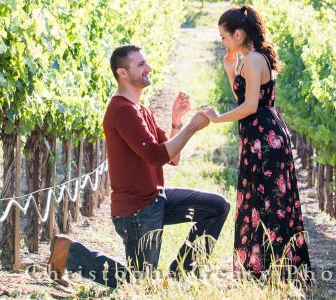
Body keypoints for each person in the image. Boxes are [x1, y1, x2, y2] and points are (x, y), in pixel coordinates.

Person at [48, 44, 230, 288]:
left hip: (156, 199)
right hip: (136, 211)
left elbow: (172, 158)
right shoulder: (122, 111)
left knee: (217, 207)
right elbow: (156, 156)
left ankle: (179, 277)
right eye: (141, 65)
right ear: (122, 73)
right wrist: (193, 127)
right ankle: (68, 253)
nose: (149, 68)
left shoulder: (141, 109)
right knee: (139, 283)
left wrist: (177, 120)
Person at [199, 5, 311, 282]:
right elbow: (250, 98)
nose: (223, 42)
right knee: (268, 201)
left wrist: (218, 118)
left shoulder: (252, 60)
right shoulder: (254, 58)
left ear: (238, 34)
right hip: (264, 136)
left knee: (264, 202)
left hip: (263, 140)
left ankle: (268, 272)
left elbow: (249, 107)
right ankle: (275, 271)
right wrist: (230, 70)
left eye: (224, 37)